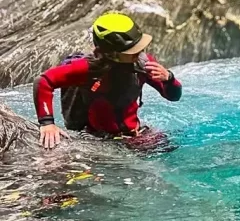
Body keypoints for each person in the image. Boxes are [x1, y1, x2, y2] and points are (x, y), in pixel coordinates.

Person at [33, 13, 182, 149]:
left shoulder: (142, 63)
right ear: (111, 53)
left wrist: (169, 78)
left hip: (135, 136)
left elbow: (174, 96)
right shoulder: (86, 69)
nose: (139, 52)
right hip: (99, 141)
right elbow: (43, 81)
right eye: (132, 50)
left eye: (139, 47)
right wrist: (47, 123)